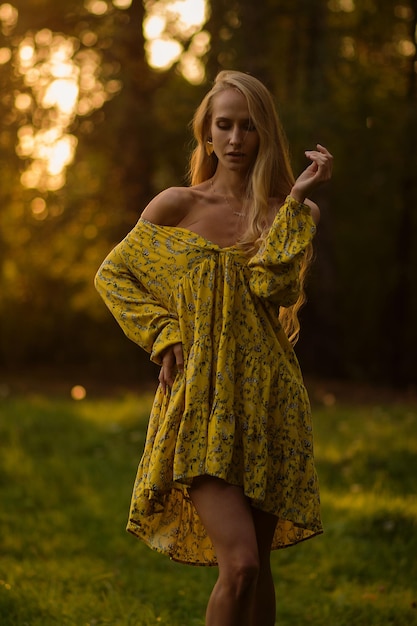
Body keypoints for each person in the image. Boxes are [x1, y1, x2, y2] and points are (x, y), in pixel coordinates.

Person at [95, 70, 332, 626]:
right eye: (223, 125)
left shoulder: (291, 215)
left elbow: (274, 287)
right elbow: (114, 276)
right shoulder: (177, 206)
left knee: (261, 572)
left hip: (270, 401)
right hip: (201, 401)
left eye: (247, 127)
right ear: (205, 135)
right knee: (242, 565)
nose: (234, 139)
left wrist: (295, 199)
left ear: (265, 134)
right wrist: (163, 334)